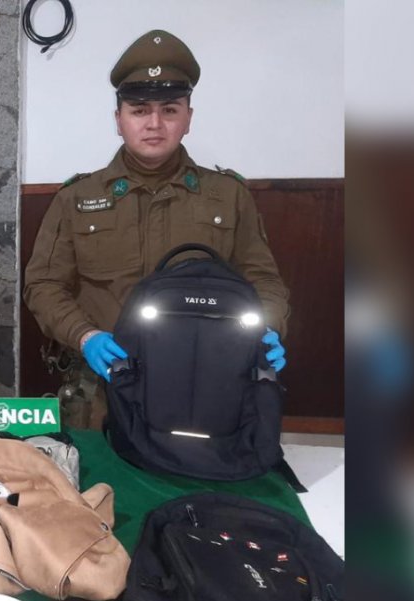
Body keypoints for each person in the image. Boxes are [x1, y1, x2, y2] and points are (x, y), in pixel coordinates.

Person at [23, 30, 290, 429]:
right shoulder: (77, 199)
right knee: (103, 488)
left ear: (188, 118)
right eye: (139, 110)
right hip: (103, 389)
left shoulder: (227, 196)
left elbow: (263, 280)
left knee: (197, 488)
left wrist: (268, 326)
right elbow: (43, 285)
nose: (154, 123)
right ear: (118, 120)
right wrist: (84, 336)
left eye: (169, 109)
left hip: (204, 386)